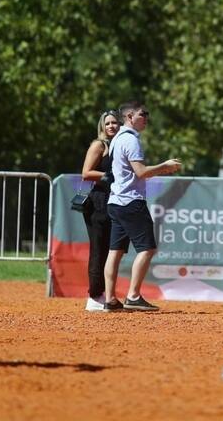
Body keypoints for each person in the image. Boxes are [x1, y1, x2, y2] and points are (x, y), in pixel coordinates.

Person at [103, 101, 181, 312]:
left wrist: (157, 170)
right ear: (129, 117)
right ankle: (133, 296)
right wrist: (165, 166)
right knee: (147, 249)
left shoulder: (117, 139)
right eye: (142, 114)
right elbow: (141, 172)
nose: (146, 118)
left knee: (115, 251)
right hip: (131, 201)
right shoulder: (130, 140)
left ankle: (110, 299)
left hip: (116, 201)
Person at [81, 109, 120, 312]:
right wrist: (110, 176)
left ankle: (104, 293)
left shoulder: (119, 145)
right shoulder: (99, 145)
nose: (111, 126)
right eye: (108, 123)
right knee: (98, 250)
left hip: (112, 200)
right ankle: (94, 296)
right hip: (98, 201)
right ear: (102, 126)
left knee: (108, 249)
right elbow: (86, 173)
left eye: (115, 123)